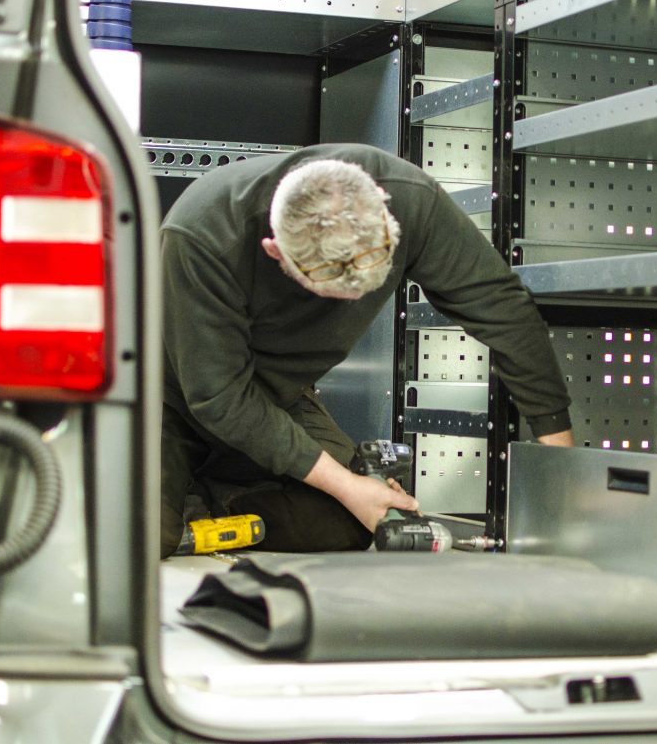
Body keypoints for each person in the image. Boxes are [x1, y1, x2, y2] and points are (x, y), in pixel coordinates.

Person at [160, 143, 573, 556]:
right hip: (169, 400)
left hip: (276, 400)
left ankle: (213, 499)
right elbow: (220, 398)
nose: (347, 305)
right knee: (143, 534)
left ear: (386, 214)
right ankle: (171, 492)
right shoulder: (203, 235)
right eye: (328, 289)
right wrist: (346, 485)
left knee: (352, 524)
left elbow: (505, 312)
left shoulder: (411, 199)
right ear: (275, 251)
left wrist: (562, 468)